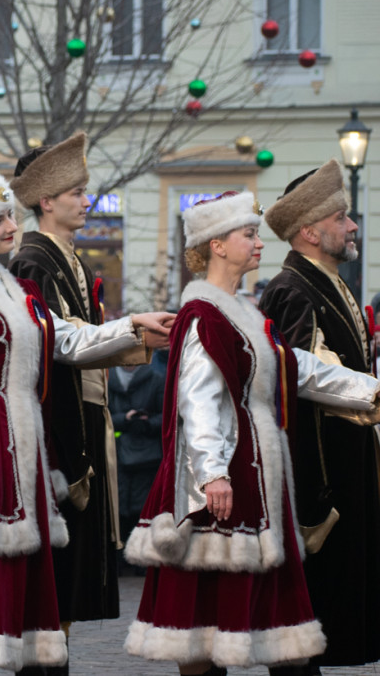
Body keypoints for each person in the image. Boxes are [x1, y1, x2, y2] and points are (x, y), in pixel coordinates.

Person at [0, 174, 173, 673]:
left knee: (20, 588)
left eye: (9, 216)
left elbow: (66, 340)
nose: (9, 225)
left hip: (24, 452)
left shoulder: (22, 292)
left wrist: (133, 329)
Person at [124, 191, 380, 675]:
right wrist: (213, 474)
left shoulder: (244, 313)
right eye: (249, 234)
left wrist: (369, 391)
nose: (260, 243)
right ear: (217, 245)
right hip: (224, 482)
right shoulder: (204, 315)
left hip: (257, 477)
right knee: (204, 629)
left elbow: (296, 368)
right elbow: (198, 401)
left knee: (271, 625)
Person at [8, 132, 151, 644]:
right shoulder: (33, 261)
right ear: (46, 201)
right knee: (53, 578)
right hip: (59, 426)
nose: (87, 201)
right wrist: (133, 331)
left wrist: (136, 339)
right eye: (77, 193)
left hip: (87, 419)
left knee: (67, 584)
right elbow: (60, 343)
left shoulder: (72, 259)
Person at [258, 159, 380, 671]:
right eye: (340, 218)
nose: (352, 226)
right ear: (309, 232)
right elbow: (307, 374)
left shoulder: (326, 280)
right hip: (320, 480)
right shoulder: (292, 288)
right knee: (305, 620)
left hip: (349, 468)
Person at [108, 363, 165, 576]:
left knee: (142, 508)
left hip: (147, 456)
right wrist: (125, 419)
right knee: (119, 507)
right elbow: (102, 414)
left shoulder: (156, 379)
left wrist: (146, 422)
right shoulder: (107, 378)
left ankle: (140, 559)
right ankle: (120, 559)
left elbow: (165, 415)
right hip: (117, 454)